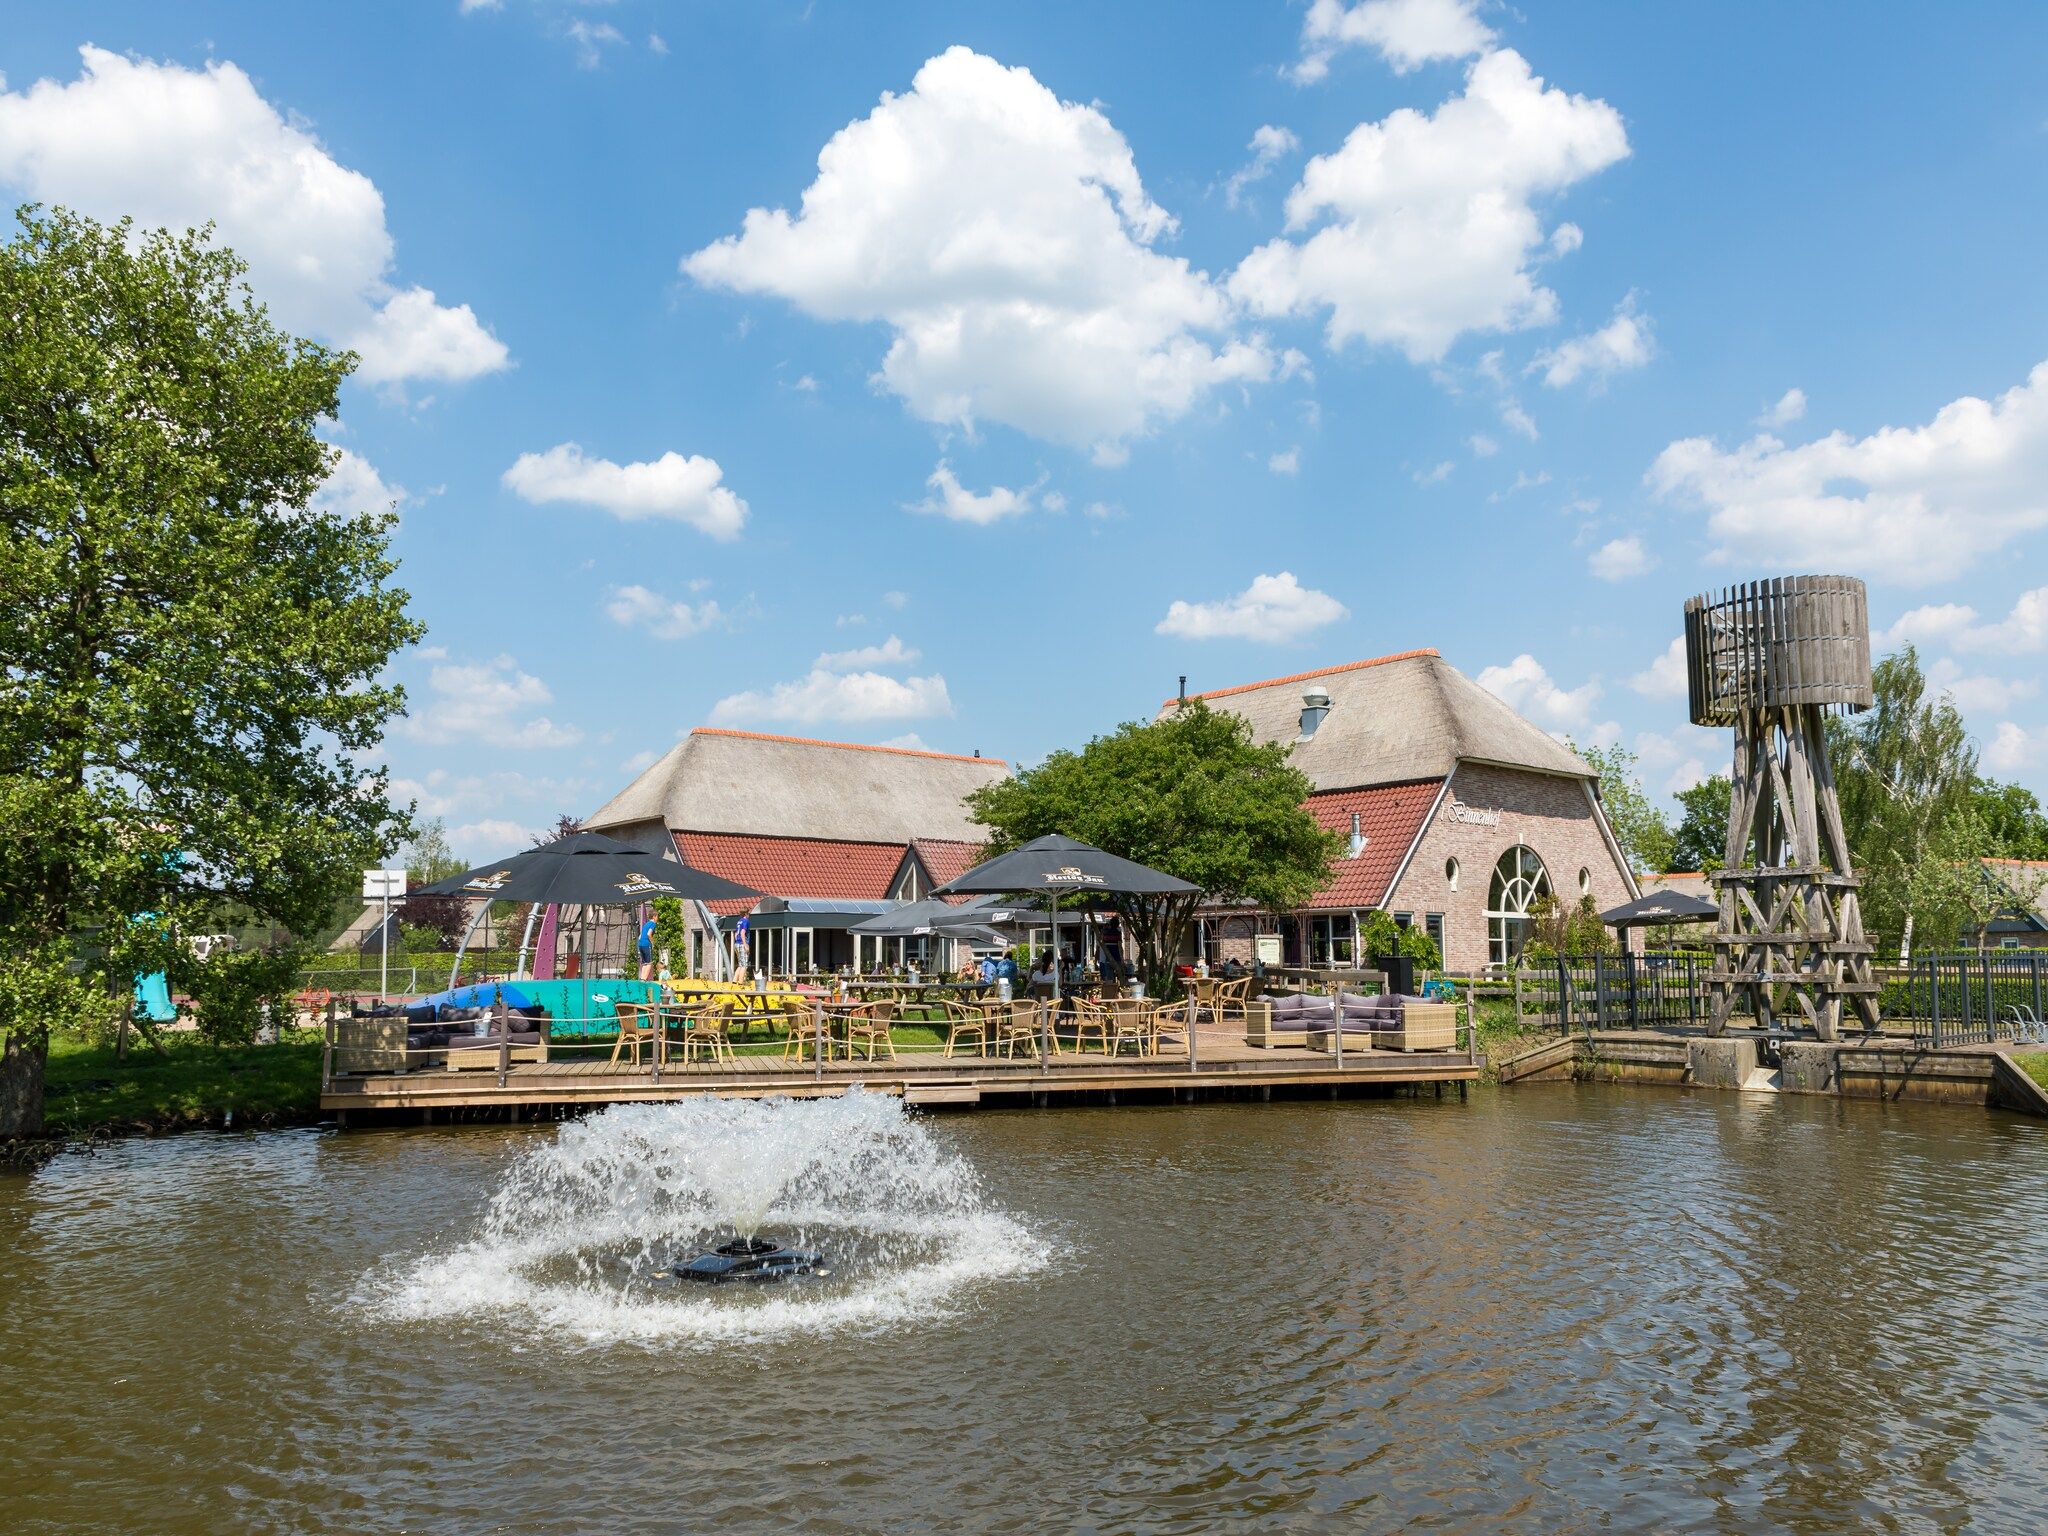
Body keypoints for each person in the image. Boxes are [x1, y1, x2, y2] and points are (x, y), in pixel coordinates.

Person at [637, 911, 656, 981]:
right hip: (646, 944)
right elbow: (649, 934)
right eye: (657, 917)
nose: (657, 918)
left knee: (644, 963)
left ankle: (642, 978)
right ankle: (644, 979)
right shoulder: (653, 923)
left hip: (640, 944)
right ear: (654, 917)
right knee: (649, 963)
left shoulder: (646, 924)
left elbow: (639, 937)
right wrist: (652, 942)